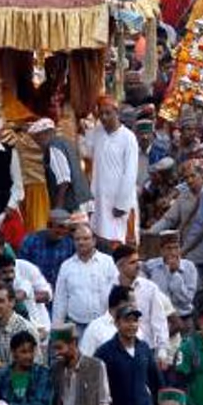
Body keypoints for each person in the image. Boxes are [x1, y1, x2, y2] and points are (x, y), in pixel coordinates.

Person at [95, 305, 161, 405]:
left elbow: (155, 382)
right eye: (127, 321)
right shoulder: (104, 353)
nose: (132, 325)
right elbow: (97, 389)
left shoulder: (144, 349)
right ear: (117, 323)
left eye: (135, 321)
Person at [81, 97, 140, 246]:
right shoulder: (97, 132)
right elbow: (86, 152)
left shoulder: (128, 138)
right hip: (99, 198)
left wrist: (121, 205)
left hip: (118, 202)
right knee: (100, 239)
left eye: (108, 113)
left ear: (117, 113)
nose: (104, 117)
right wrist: (85, 130)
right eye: (101, 114)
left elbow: (130, 174)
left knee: (120, 243)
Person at [50, 322, 111, 405]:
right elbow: (53, 401)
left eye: (60, 348)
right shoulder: (55, 369)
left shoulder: (96, 367)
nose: (57, 353)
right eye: (54, 348)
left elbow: (103, 404)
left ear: (73, 344)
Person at [51, 223, 117, 334]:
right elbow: (60, 299)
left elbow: (116, 292)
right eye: (77, 239)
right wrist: (57, 329)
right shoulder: (66, 266)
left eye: (86, 239)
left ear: (94, 241)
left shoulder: (107, 262)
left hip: (104, 325)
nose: (81, 242)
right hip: (76, 326)